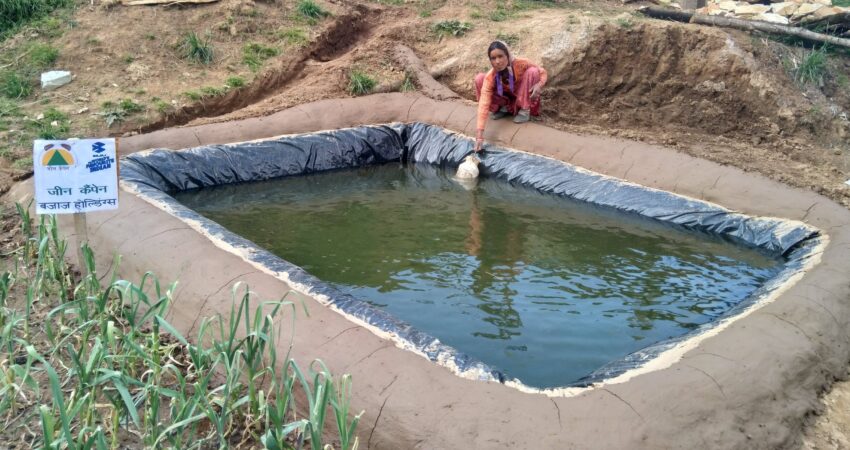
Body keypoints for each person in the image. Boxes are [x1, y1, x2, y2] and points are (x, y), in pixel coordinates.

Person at [473, 41, 548, 153]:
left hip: (524, 98)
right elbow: (483, 103)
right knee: (479, 78)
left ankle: (524, 110)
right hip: (507, 101)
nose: (497, 61)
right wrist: (479, 136)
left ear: (507, 55)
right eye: (493, 58)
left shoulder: (521, 63)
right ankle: (503, 108)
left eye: (500, 56)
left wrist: (539, 84)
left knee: (532, 71)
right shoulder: (492, 75)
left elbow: (542, 72)